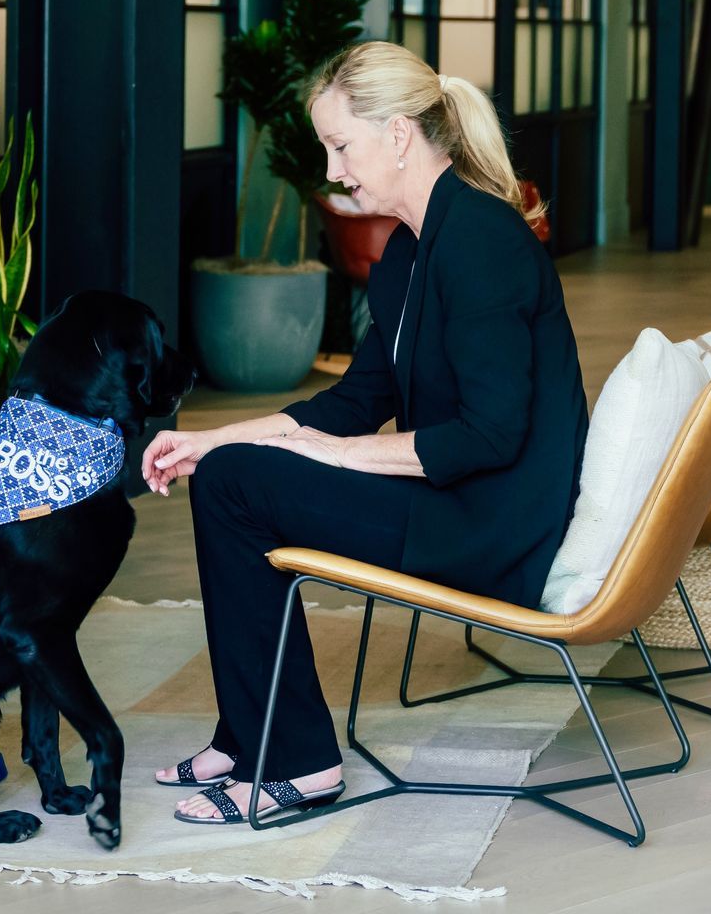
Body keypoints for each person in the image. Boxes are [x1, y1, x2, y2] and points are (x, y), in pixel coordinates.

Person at [141, 41, 588, 824]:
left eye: (340, 145)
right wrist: (215, 438)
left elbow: (490, 437)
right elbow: (352, 402)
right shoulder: (410, 254)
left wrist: (338, 457)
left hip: (495, 524)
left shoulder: (482, 242)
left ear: (399, 134)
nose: (334, 169)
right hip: (453, 500)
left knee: (238, 489)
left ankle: (298, 761)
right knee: (226, 474)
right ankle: (253, 736)